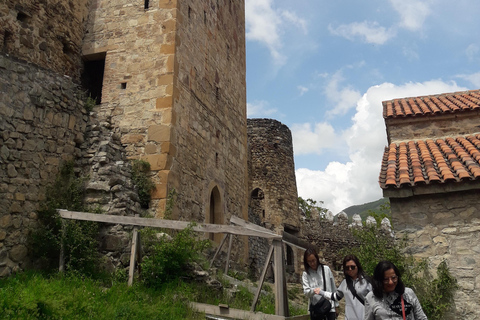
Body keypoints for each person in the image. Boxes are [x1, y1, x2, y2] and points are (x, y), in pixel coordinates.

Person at [317, 254, 372, 320]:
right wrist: (321, 292)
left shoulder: (367, 282)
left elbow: (375, 301)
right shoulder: (344, 283)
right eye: (347, 268)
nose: (350, 269)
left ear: (357, 266)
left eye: (352, 267)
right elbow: (335, 297)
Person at [302, 247, 339, 320]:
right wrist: (314, 291)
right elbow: (306, 292)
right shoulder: (306, 274)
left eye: (313, 260)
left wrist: (336, 306)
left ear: (317, 258)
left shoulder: (326, 269)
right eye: (309, 261)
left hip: (329, 308)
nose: (312, 263)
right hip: (316, 310)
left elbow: (333, 288)